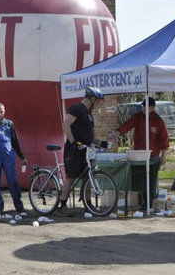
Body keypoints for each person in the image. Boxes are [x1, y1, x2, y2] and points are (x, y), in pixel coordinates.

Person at [112, 97, 169, 210]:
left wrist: (163, 155)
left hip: (153, 156)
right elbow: (127, 125)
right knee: (141, 180)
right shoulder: (137, 117)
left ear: (152, 108)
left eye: (146, 107)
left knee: (151, 180)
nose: (143, 108)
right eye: (143, 106)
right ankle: (144, 201)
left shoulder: (158, 121)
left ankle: (149, 203)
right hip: (139, 155)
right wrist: (118, 132)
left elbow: (164, 139)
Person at [59, 86, 105, 217]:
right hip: (74, 149)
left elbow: (88, 136)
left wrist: (100, 143)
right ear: (92, 98)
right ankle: (62, 205)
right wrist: (74, 142)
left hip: (85, 150)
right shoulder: (77, 108)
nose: (98, 103)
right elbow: (66, 125)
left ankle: (88, 204)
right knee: (70, 177)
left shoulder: (88, 113)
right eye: (98, 100)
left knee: (88, 177)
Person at [0, 102, 28, 215]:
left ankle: (19, 205)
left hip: (8, 156)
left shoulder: (9, 124)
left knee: (13, 181)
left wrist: (22, 156)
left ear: (4, 111)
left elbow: (15, 141)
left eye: (1, 111)